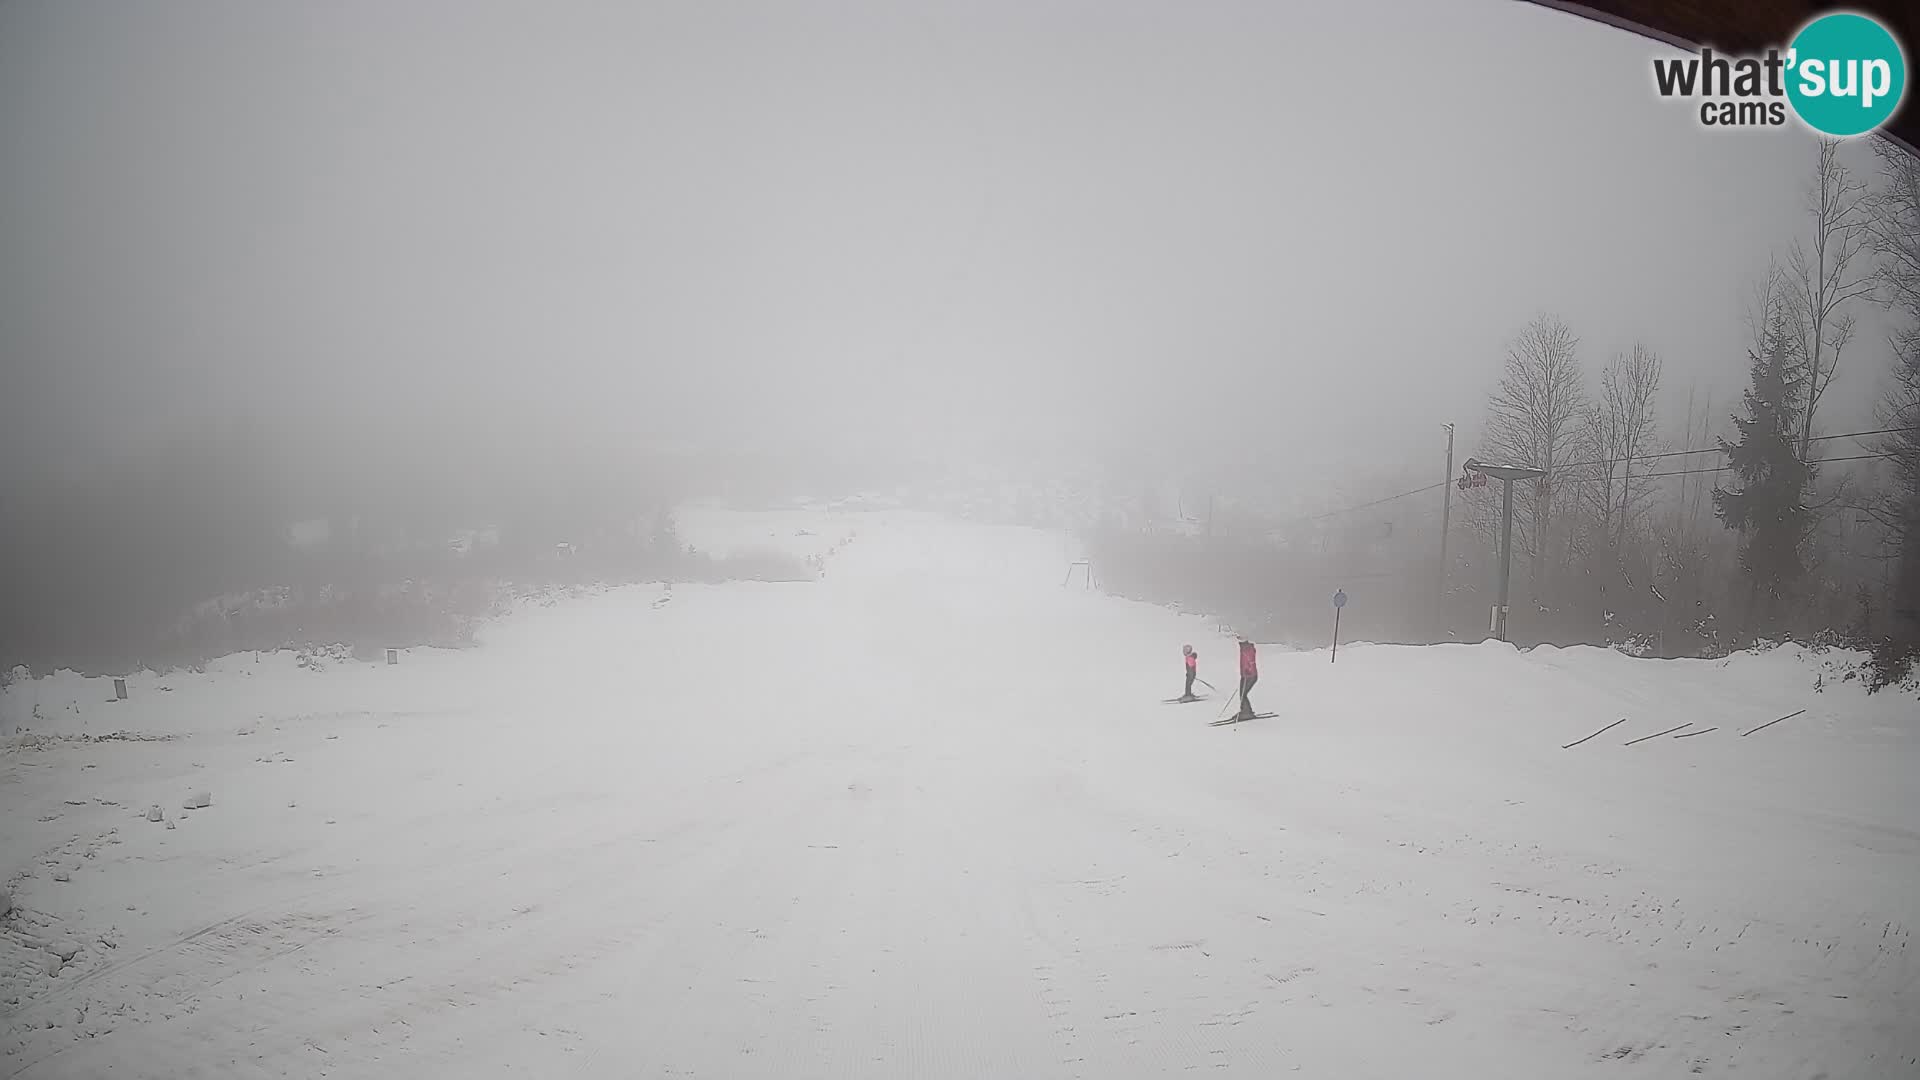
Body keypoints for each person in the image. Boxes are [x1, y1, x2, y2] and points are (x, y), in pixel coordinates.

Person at [1236, 638, 1258, 719]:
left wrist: (1249, 670)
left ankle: (1247, 712)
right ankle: (1245, 710)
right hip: (1245, 675)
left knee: (1243, 694)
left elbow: (1252, 662)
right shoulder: (1243, 649)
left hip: (1251, 676)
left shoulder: (1248, 649)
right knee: (1241, 694)